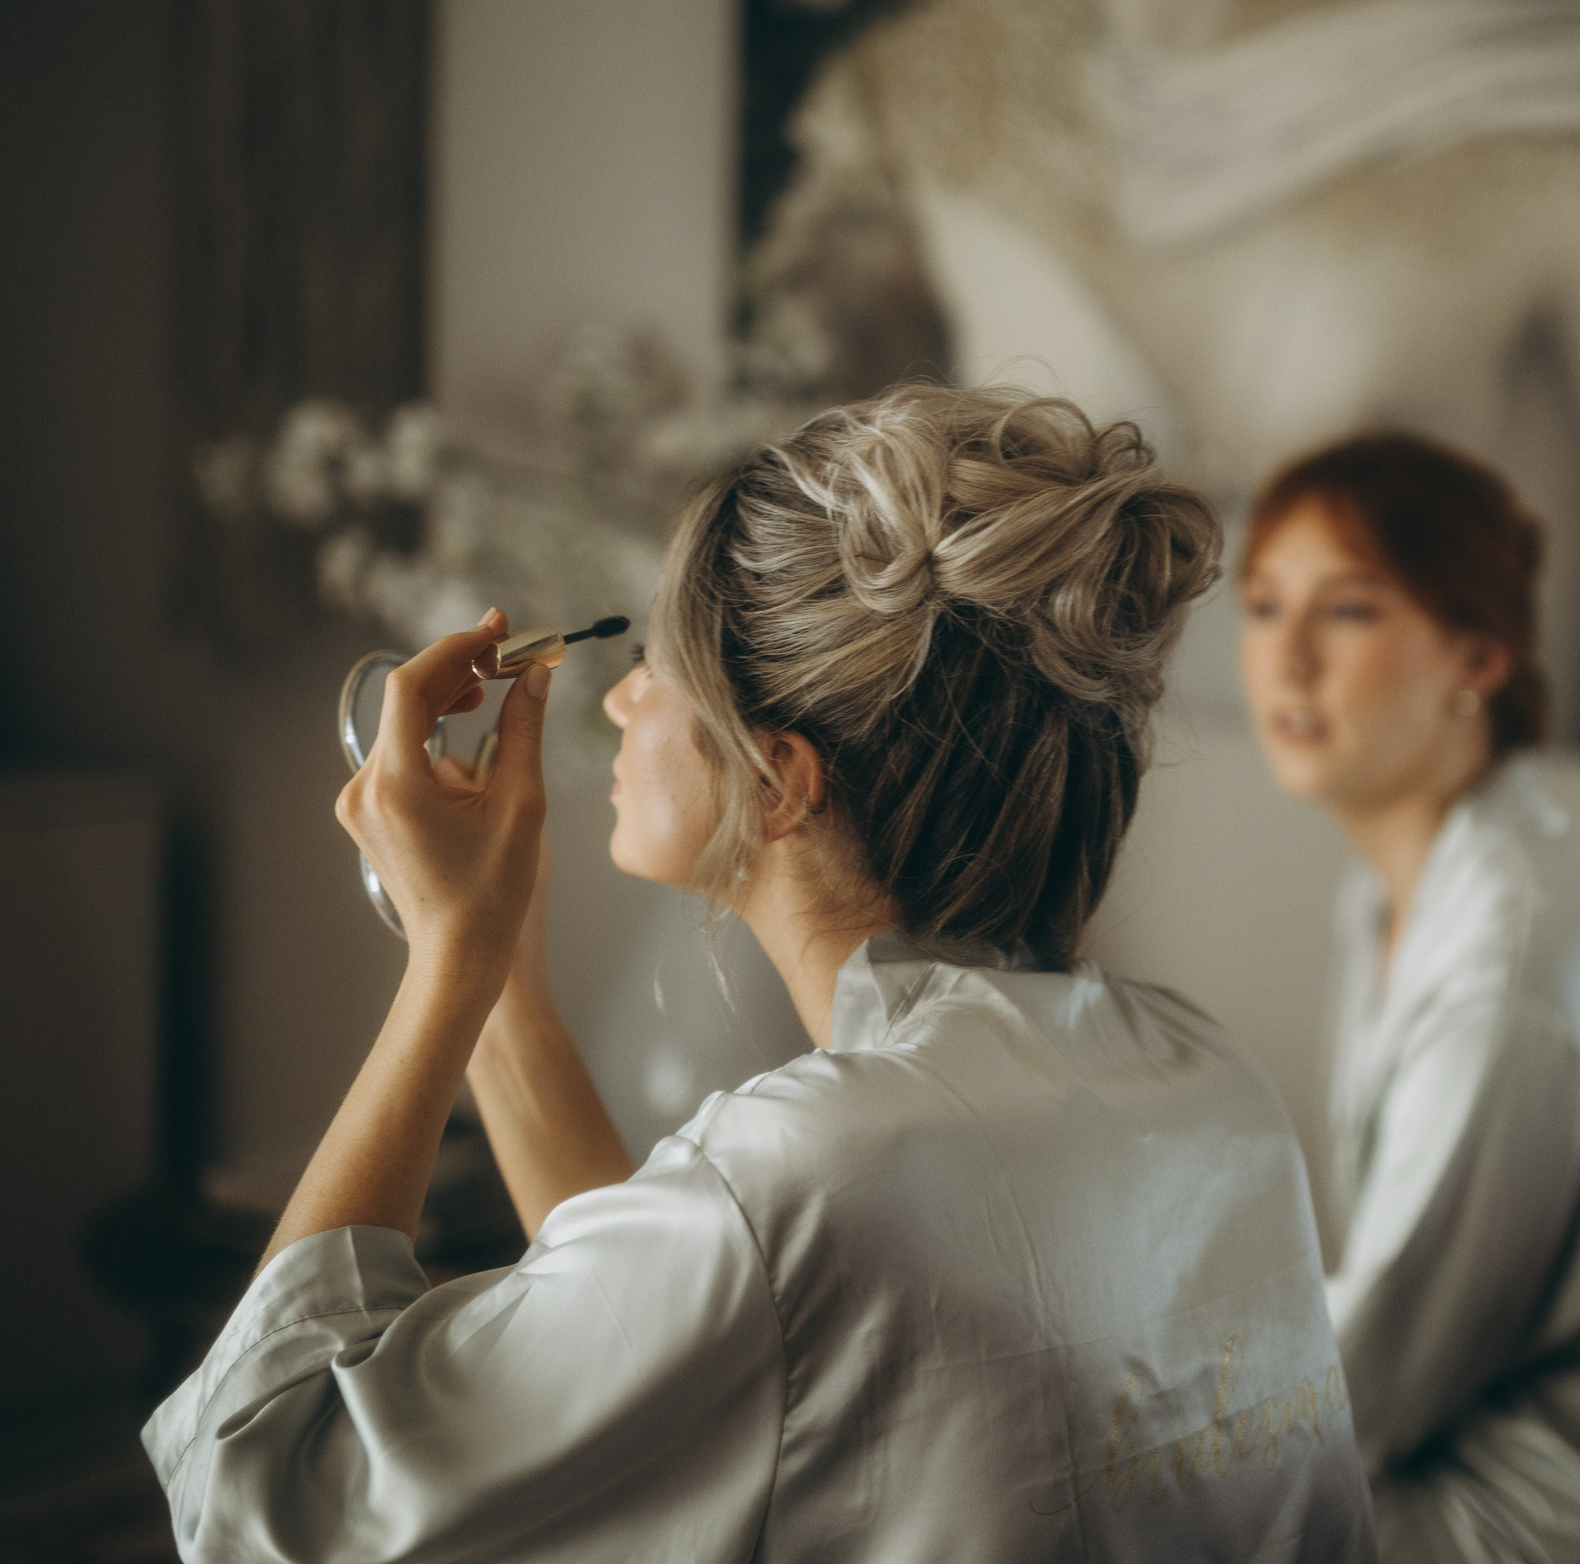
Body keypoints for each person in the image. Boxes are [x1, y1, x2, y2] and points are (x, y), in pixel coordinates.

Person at [146, 387, 1374, 1562]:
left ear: (779, 779)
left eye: (662, 665)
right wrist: (493, 963)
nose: (622, 696)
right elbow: (678, 1339)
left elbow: (254, 1490)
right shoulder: (1208, 1077)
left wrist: (446, 968)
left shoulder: (811, 1173)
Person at [1237, 430, 1580, 1564]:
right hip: (1482, 1438)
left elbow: (1358, 1390)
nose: (1285, 660)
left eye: (1347, 611)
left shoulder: (1507, 975)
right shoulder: (1399, 894)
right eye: (1262, 604)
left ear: (1478, 657)